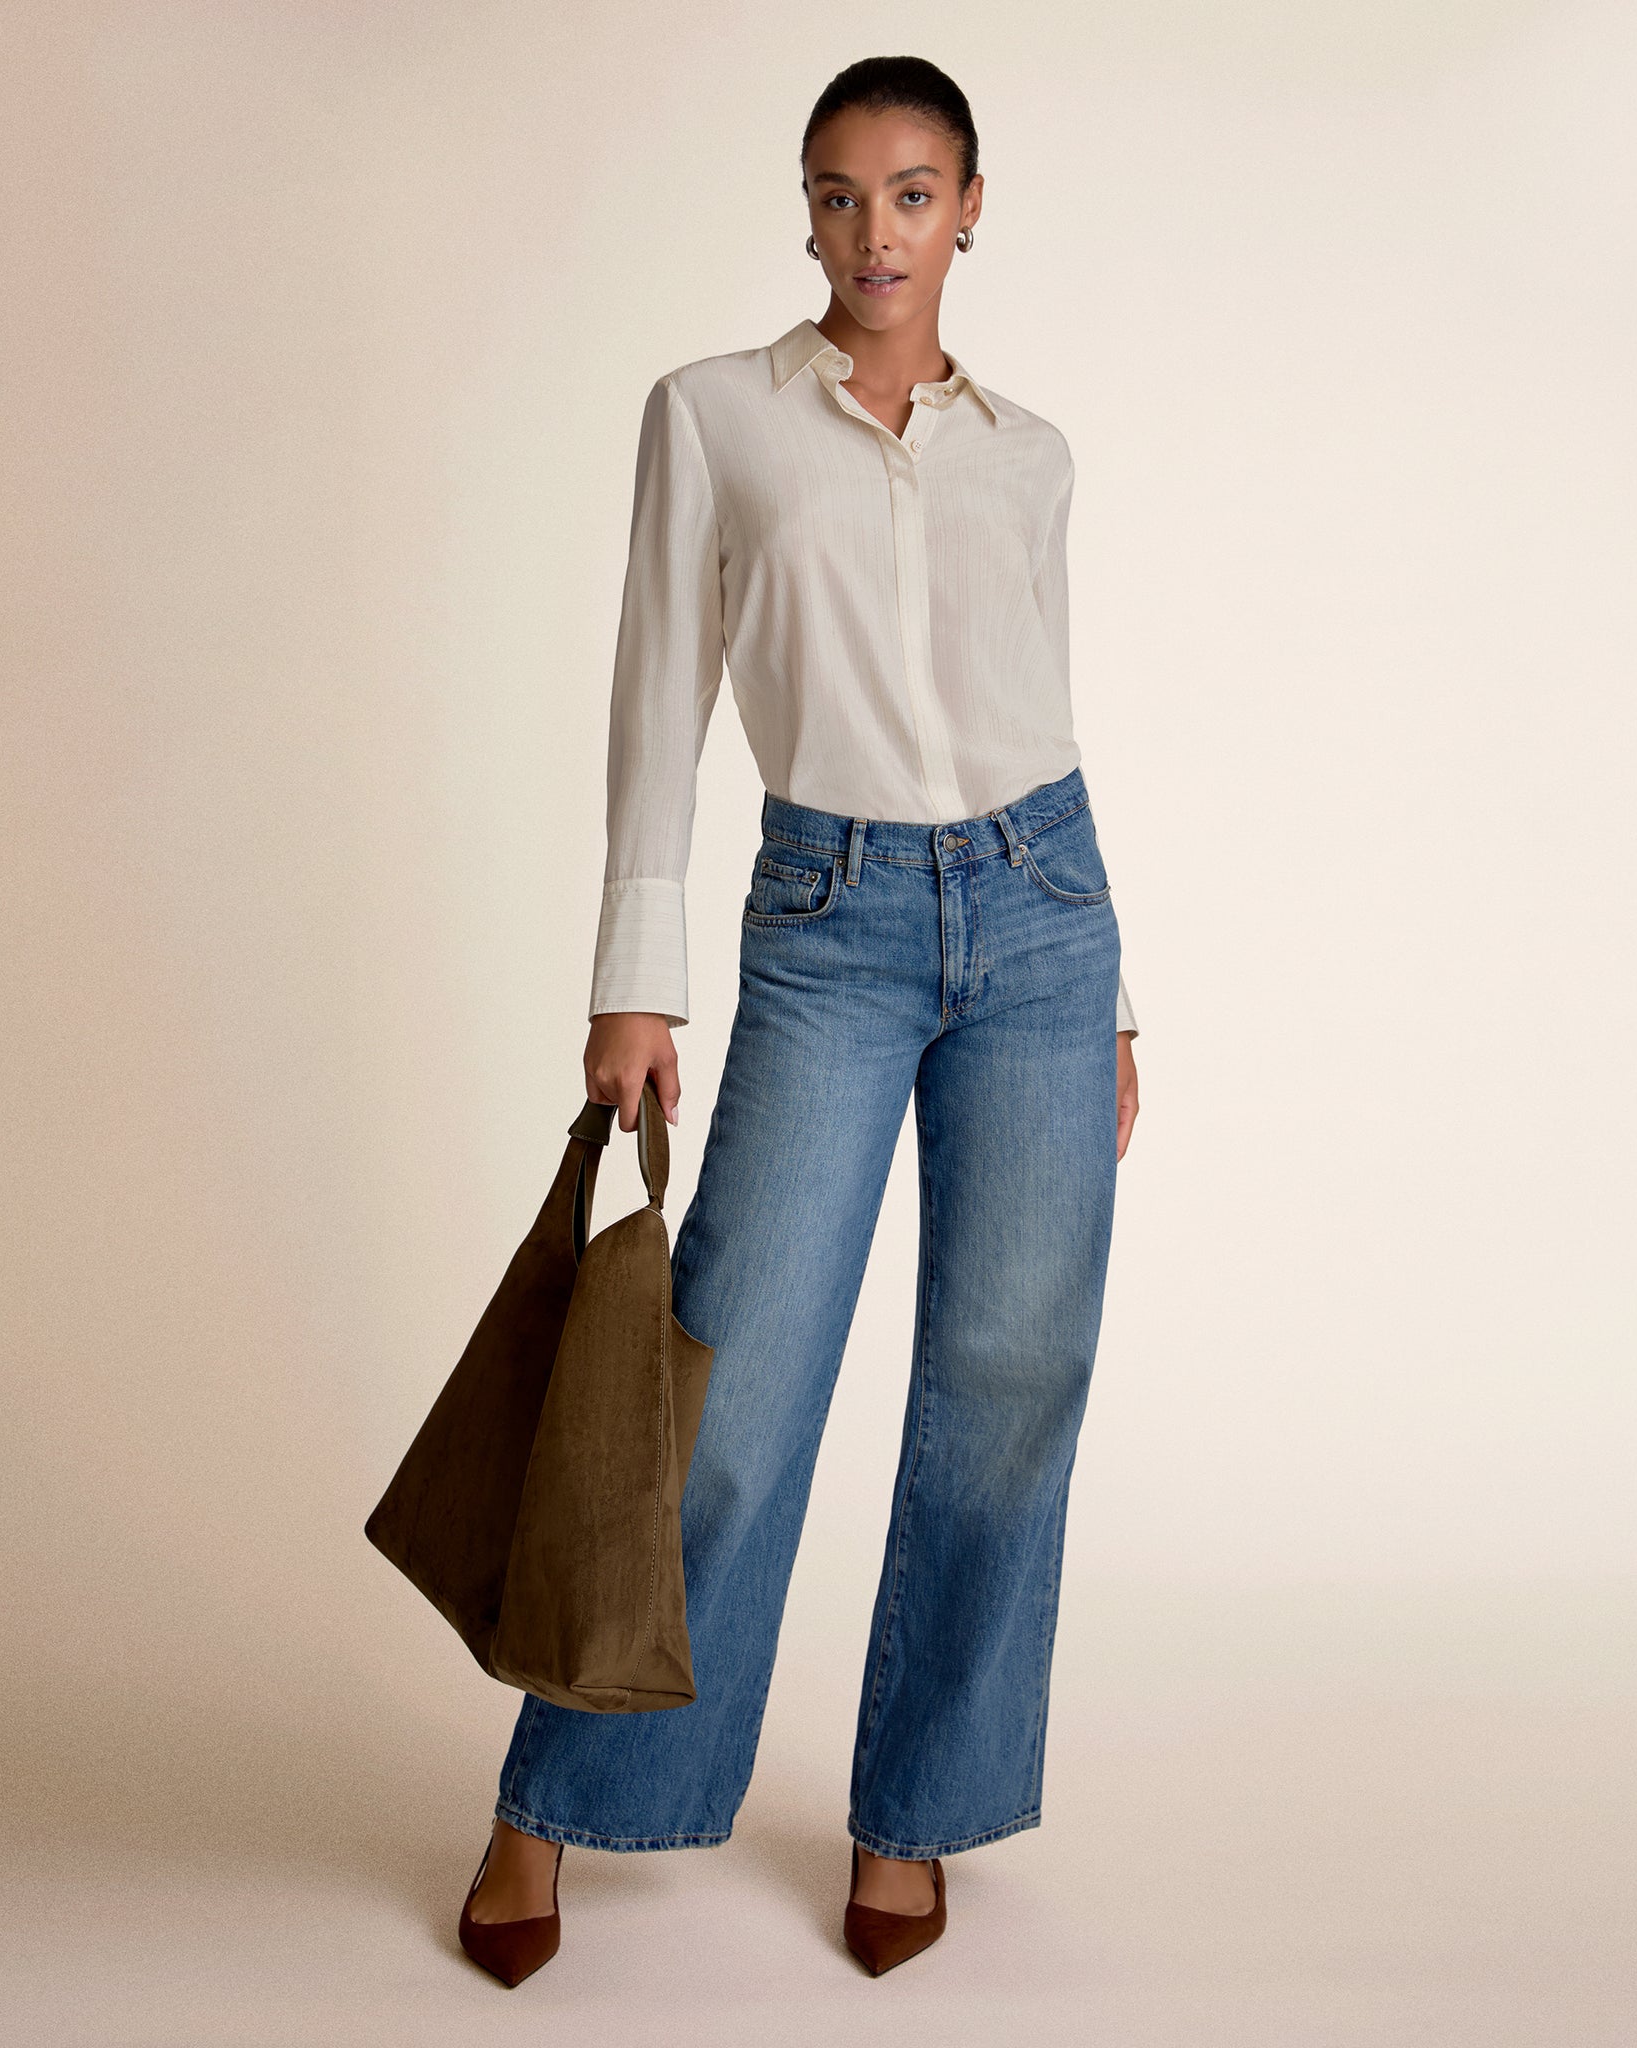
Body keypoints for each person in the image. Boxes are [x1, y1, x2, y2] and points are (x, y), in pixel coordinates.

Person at [457, 53, 1141, 1987]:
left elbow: (1044, 710)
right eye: (841, 196)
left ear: (971, 207)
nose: (874, 234)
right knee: (732, 1387)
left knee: (1010, 1383)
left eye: (912, 195)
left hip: (1043, 916)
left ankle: (915, 1813)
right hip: (831, 922)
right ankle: (558, 1799)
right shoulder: (712, 417)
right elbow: (657, 687)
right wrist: (634, 972)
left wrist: (1111, 997)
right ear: (809, 210)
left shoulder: (1031, 454)